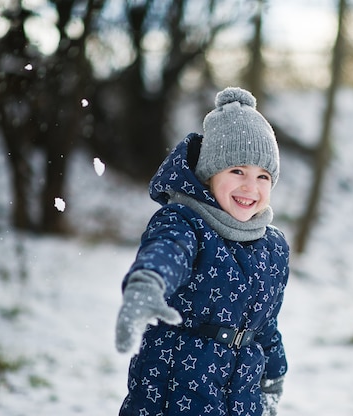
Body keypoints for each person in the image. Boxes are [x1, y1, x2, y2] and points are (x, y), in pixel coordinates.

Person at [115, 86, 289, 416]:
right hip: (174, 392)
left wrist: (273, 375)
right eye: (237, 170)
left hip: (241, 398)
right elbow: (167, 251)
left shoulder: (273, 247)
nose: (250, 187)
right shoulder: (185, 222)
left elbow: (266, 323)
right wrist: (147, 284)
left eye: (263, 176)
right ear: (210, 174)